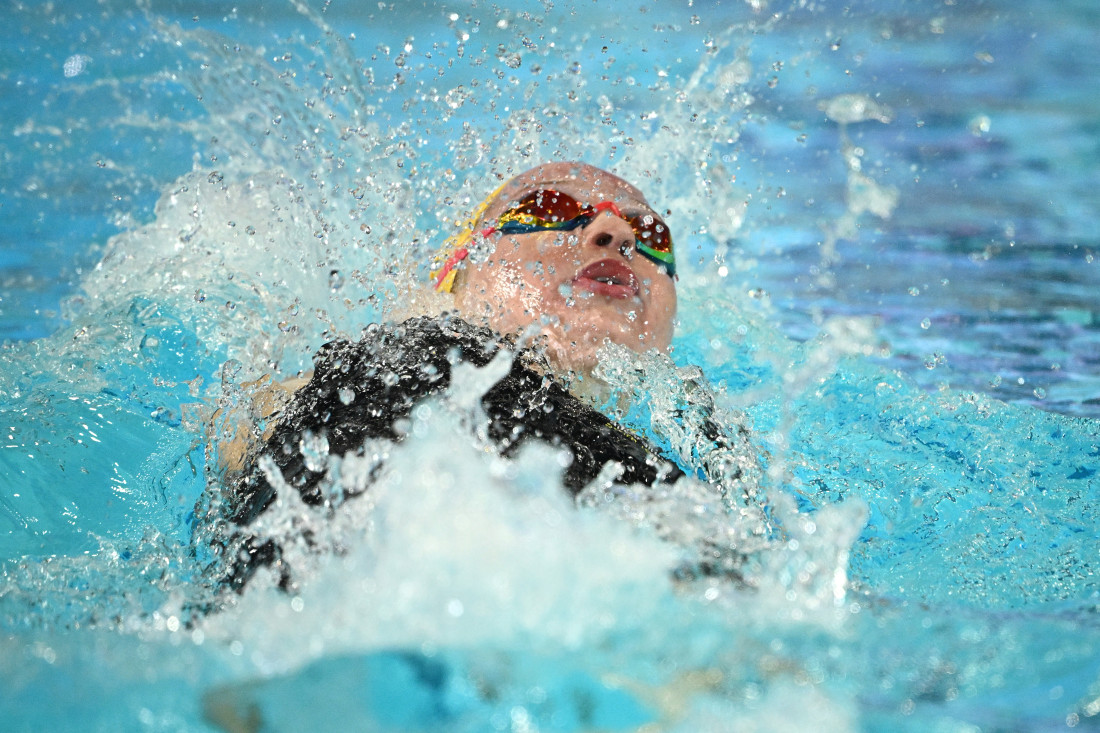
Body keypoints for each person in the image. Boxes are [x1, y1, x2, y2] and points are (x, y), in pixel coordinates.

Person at [199, 162, 710, 593]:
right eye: (549, 208)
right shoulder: (389, 366)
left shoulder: (695, 462)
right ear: (457, 271)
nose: (618, 235)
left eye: (651, 235)